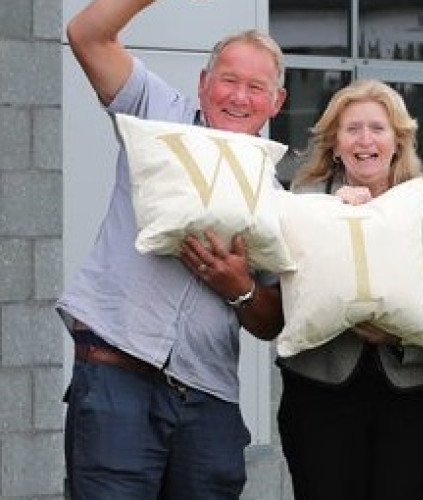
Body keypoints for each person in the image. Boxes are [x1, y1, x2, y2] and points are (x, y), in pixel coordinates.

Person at [60, 1, 287, 498]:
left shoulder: (275, 198)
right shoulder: (158, 114)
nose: (239, 97)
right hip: (118, 374)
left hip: (208, 402)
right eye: (229, 80)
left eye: (257, 88)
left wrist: (240, 287)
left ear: (277, 101)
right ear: (204, 81)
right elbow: (87, 35)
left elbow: (272, 321)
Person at [278, 79, 423, 500]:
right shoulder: (304, 203)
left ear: (398, 141)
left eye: (379, 128)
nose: (365, 140)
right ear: (334, 143)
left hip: (411, 392)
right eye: (352, 129)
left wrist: (400, 333)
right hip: (319, 390)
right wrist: (337, 218)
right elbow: (286, 290)